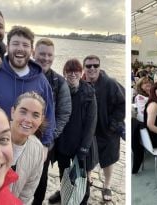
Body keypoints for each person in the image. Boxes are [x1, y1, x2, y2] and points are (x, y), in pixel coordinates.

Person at [0, 25, 55, 160]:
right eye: (15, 43)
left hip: (27, 150)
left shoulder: (41, 81)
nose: (20, 48)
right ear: (8, 46)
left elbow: (49, 115)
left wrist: (45, 145)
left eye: (25, 45)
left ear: (31, 50)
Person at [48, 59, 97, 204]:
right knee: (63, 172)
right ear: (64, 73)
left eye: (76, 71)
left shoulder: (89, 92)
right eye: (69, 71)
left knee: (82, 176)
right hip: (63, 141)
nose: (73, 74)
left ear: (81, 72)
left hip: (81, 142)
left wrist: (84, 147)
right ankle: (65, 194)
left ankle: (81, 200)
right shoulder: (59, 89)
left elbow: (91, 123)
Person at [31, 38, 72, 205]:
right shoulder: (22, 74)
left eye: (49, 55)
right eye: (42, 54)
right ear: (34, 53)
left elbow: (64, 112)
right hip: (17, 137)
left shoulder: (59, 82)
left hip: (43, 141)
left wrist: (51, 137)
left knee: (41, 176)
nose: (45, 58)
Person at [83, 55, 125, 202]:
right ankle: (88, 179)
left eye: (95, 65)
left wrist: (113, 124)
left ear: (99, 67)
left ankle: (106, 186)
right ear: (84, 68)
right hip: (89, 131)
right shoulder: (81, 83)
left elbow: (122, 104)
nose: (92, 68)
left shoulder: (110, 83)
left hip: (107, 130)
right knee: (86, 157)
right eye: (89, 66)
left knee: (108, 160)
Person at [9, 92, 45, 204]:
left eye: (35, 115)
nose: (28, 120)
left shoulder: (37, 149)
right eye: (23, 112)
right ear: (13, 112)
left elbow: (27, 191)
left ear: (41, 119)